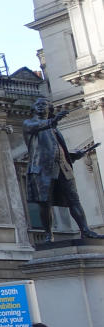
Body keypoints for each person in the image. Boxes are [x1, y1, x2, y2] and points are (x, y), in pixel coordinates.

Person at [24, 98, 102, 242]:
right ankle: (48, 234)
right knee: (44, 203)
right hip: (41, 169)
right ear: (33, 109)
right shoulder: (30, 124)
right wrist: (54, 120)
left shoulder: (54, 129)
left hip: (62, 168)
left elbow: (57, 149)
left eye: (44, 105)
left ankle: (85, 230)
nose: (41, 107)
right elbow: (39, 126)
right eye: (38, 105)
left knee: (74, 200)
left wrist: (73, 155)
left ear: (50, 109)